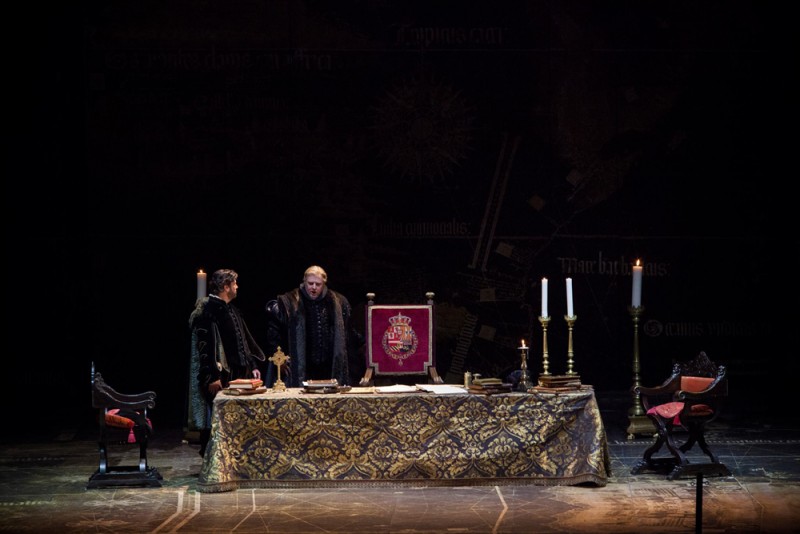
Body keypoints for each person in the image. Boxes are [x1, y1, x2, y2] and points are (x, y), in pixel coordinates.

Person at [189, 268, 265, 457]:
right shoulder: (208, 311)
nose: (237, 287)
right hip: (221, 377)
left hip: (240, 375)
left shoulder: (230, 309)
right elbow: (205, 348)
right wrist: (212, 377)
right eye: (234, 283)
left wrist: (253, 366)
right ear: (225, 286)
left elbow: (243, 341)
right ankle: (213, 464)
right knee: (215, 423)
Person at [264, 265, 364, 387]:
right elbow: (274, 333)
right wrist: (278, 357)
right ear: (304, 281)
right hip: (300, 366)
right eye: (310, 283)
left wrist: (364, 346)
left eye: (318, 284)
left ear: (324, 283)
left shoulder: (338, 302)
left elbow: (350, 332)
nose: (314, 288)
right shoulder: (290, 302)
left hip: (329, 367)